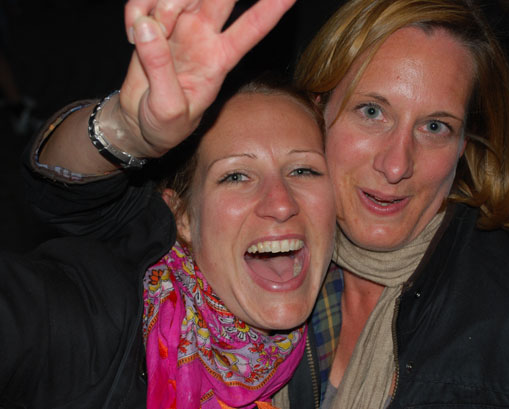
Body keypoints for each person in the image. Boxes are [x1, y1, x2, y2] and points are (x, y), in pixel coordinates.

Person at [19, 0, 509, 408]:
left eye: (435, 127)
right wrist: (127, 129)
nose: (396, 164)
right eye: (371, 111)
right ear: (320, 112)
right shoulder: (235, 258)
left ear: (464, 145)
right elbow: (72, 201)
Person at [1, 0, 338, 408]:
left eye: (303, 170)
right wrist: (124, 129)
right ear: (182, 216)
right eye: (236, 176)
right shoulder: (106, 322)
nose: (281, 204)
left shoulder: (329, 334)